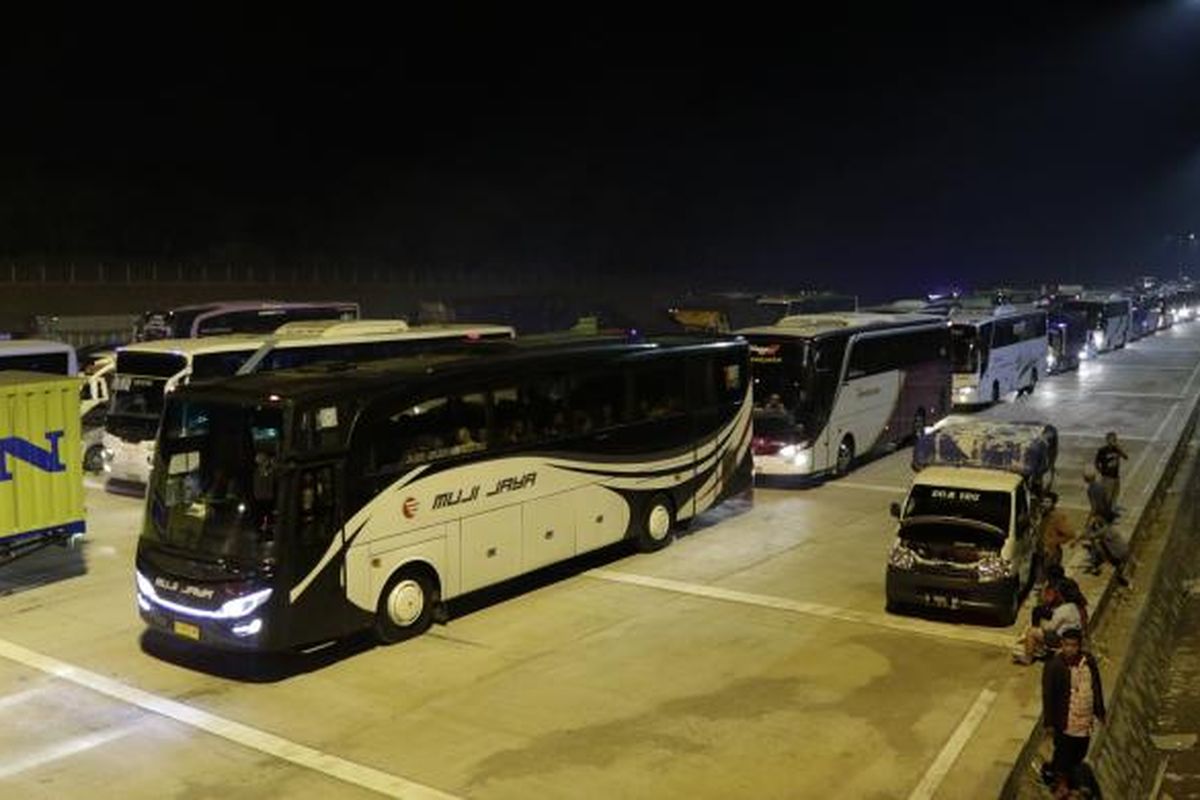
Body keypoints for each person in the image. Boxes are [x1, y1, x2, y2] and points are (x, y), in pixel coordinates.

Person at [1041, 628, 1105, 798]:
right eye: (1067, 645)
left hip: (1084, 721)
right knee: (1063, 752)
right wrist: (1049, 723)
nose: (1070, 649)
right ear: (1062, 645)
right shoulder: (1054, 666)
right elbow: (1048, 695)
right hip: (1066, 720)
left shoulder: (1088, 662)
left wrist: (1100, 711)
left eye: (1074, 645)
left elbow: (1096, 686)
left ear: (1079, 646)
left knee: (1079, 753)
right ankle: (1062, 784)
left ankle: (1072, 780)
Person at [1015, 582, 1082, 665]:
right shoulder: (1074, 606)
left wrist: (1041, 624)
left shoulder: (1063, 610)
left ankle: (1028, 658)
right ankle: (1037, 649)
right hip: (1074, 634)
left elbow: (1050, 627)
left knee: (1031, 632)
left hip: (1060, 637)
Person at [1040, 492, 1076, 582]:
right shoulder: (1042, 515)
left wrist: (1053, 542)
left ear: (1053, 503)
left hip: (1052, 553)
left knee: (1052, 577)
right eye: (1044, 502)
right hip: (1042, 552)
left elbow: (1070, 534)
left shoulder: (1057, 517)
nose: (1045, 504)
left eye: (1048, 502)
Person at [1094, 432, 1129, 509]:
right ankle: (1105, 512)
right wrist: (1101, 472)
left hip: (1116, 476)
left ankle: (1112, 509)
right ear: (1107, 440)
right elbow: (1096, 462)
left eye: (1115, 439)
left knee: (1115, 494)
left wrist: (1119, 449)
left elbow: (1126, 457)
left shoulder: (1117, 449)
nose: (1114, 441)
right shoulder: (1102, 450)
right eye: (1112, 440)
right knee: (1107, 496)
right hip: (1107, 477)